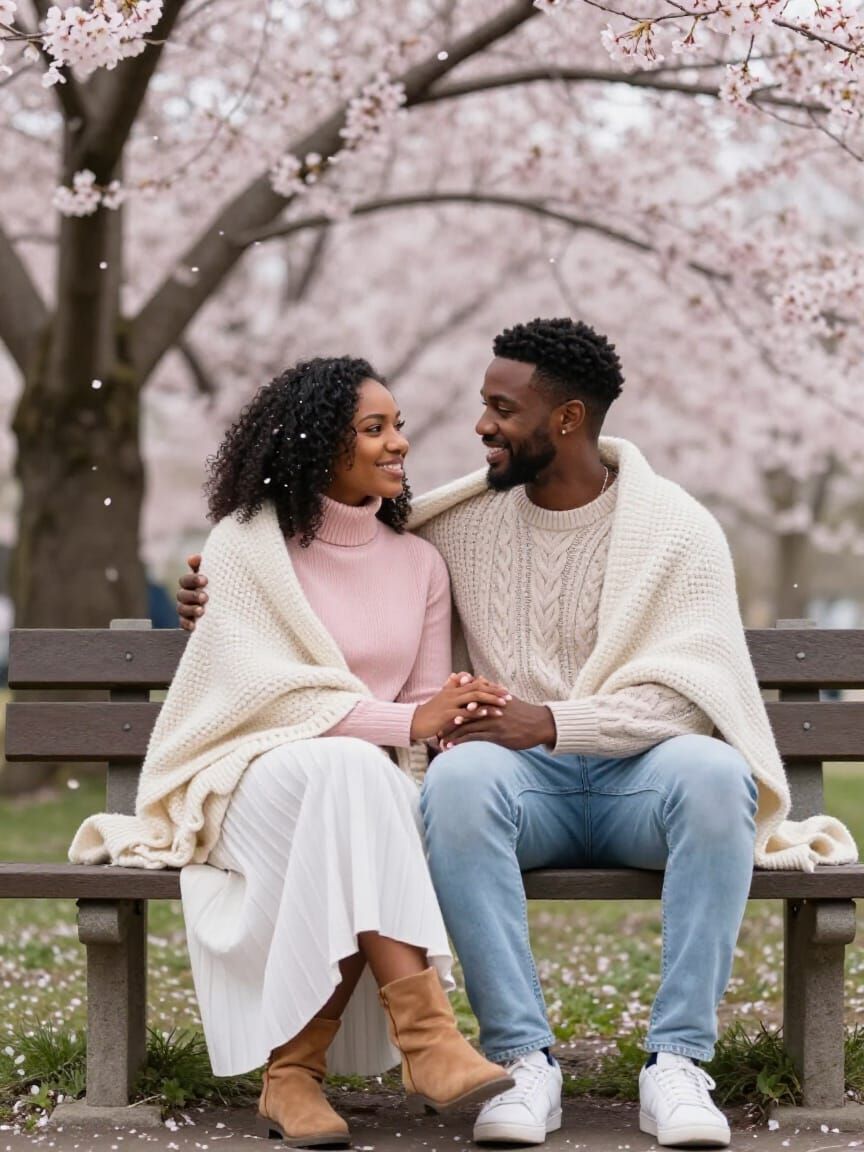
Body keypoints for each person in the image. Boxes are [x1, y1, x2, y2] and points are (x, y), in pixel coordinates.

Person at [177, 321, 857, 1150]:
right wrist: (214, 606)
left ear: (566, 420)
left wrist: (552, 722)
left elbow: (694, 698)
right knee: (457, 781)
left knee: (717, 775)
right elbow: (315, 557)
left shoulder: (678, 529)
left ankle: (677, 1062)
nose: (479, 426)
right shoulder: (454, 526)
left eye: (502, 408)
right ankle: (521, 1060)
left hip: (644, 780)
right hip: (513, 786)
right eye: (481, 404)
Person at [70, 357, 514, 1148]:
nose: (398, 444)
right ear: (315, 444)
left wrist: (447, 711)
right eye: (373, 429)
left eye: (398, 425)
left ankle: (294, 1076)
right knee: (353, 780)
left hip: (352, 789)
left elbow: (411, 708)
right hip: (245, 779)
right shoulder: (247, 546)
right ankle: (428, 1041)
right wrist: (404, 725)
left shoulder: (417, 563)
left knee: (354, 790)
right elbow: (260, 695)